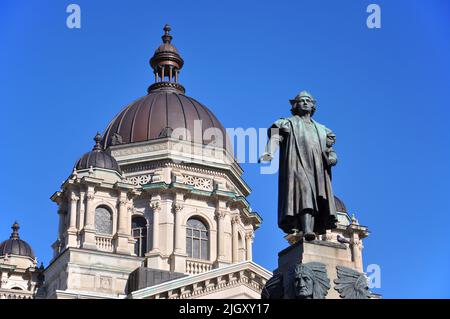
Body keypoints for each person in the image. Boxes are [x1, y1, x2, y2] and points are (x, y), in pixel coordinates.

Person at [260, 91, 338, 241]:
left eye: (308, 100)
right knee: (304, 192)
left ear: (313, 105)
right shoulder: (288, 122)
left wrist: (333, 158)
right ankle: (308, 229)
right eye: (301, 100)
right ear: (295, 105)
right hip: (297, 163)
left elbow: (330, 151)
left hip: (318, 168)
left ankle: (313, 228)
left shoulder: (322, 129)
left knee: (317, 196)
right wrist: (269, 152)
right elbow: (276, 135)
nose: (305, 103)